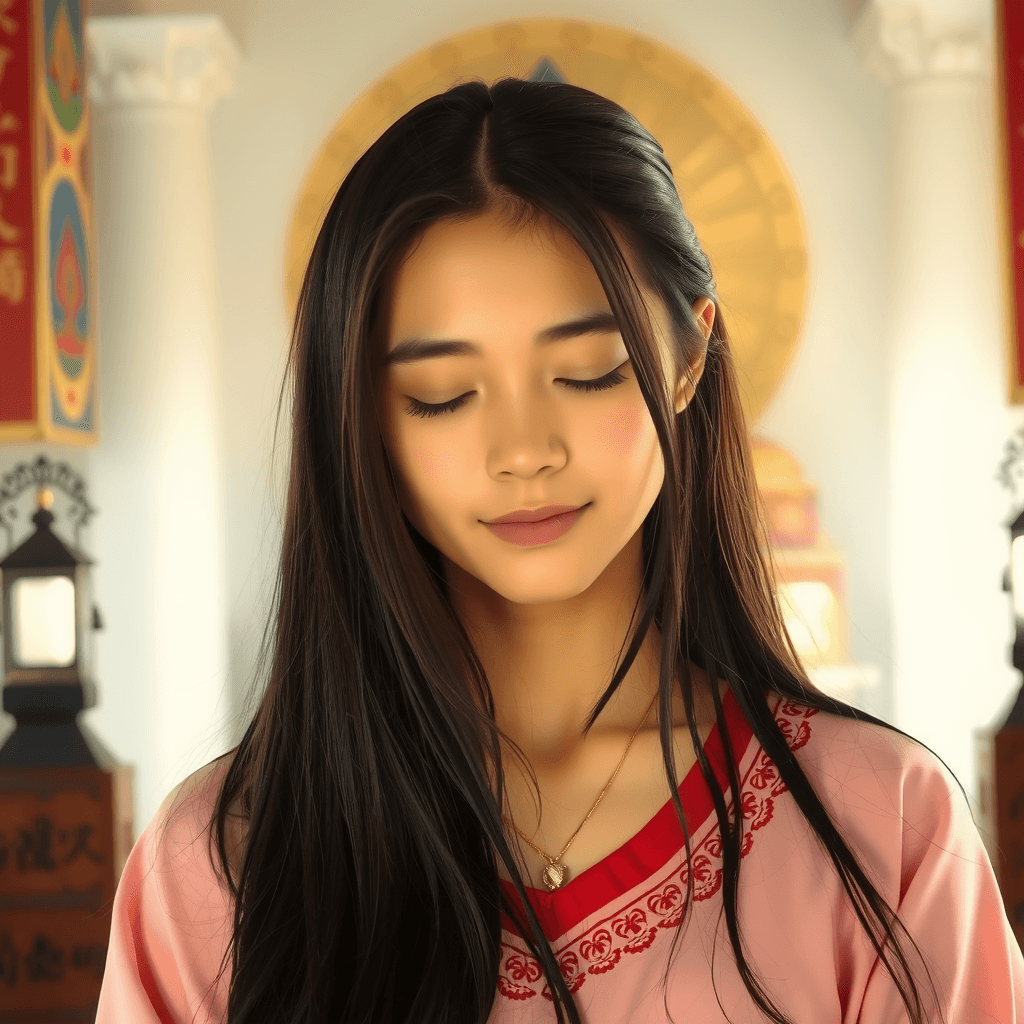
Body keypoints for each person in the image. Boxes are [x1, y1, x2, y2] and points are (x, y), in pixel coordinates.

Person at [95, 76, 1024, 1024]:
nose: (525, 451)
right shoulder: (219, 866)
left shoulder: (884, 832)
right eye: (443, 395)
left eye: (589, 373)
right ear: (361, 417)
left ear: (690, 356)